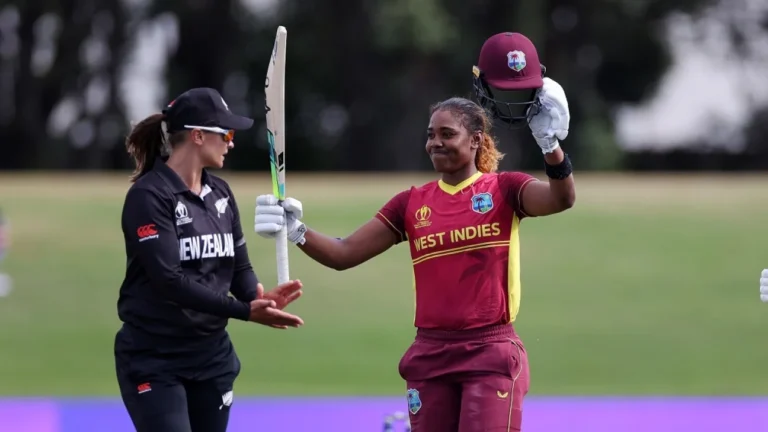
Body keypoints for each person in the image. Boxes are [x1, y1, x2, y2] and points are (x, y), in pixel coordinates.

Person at [254, 33, 574, 431]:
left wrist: (550, 144)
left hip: (490, 352)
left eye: (447, 134)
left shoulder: (505, 189)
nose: (435, 143)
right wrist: (295, 229)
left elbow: (561, 198)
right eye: (430, 135)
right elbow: (343, 253)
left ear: (476, 141)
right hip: (430, 355)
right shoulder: (411, 203)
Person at [115, 87, 305, 432]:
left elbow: (239, 267)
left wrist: (257, 297)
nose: (231, 143)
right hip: (155, 357)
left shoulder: (221, 193)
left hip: (211, 356)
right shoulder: (148, 196)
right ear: (198, 136)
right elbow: (169, 281)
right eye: (226, 134)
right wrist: (244, 311)